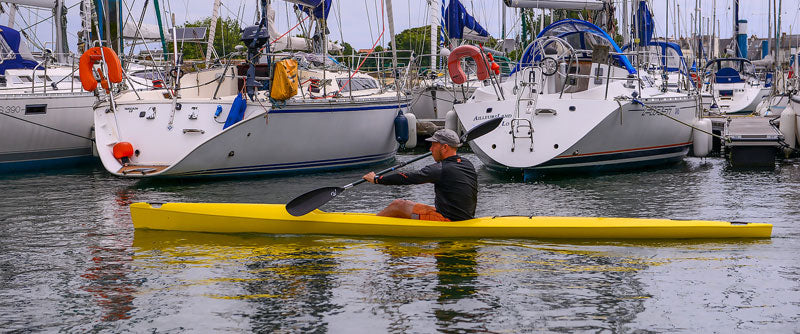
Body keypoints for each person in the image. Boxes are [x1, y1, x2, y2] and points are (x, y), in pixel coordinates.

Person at [362, 129, 477, 221]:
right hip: (466, 218)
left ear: (445, 147)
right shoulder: (468, 164)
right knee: (406, 205)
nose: (430, 149)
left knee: (398, 205)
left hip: (447, 220)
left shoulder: (440, 169)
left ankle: (369, 227)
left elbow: (407, 178)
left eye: (433, 145)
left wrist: (377, 179)